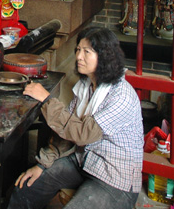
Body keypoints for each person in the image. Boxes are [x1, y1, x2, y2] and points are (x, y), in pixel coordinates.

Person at [8, 26, 143, 209]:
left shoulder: (121, 96)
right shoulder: (86, 85)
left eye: (87, 51)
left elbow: (82, 134)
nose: (79, 57)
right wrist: (43, 164)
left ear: (105, 56)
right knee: (27, 187)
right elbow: (66, 130)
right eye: (78, 50)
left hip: (114, 178)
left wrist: (47, 100)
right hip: (84, 161)